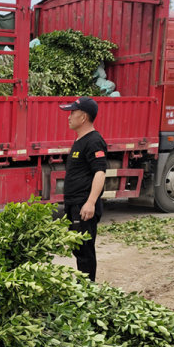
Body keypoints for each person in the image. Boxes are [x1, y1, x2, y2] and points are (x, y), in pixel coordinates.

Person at [59, 97, 107, 281]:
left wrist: (90, 203)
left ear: (84, 117)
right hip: (75, 204)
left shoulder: (94, 141)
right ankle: (83, 288)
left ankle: (88, 291)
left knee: (85, 250)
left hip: (83, 206)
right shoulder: (81, 140)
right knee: (78, 248)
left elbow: (100, 173)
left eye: (72, 113)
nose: (69, 117)